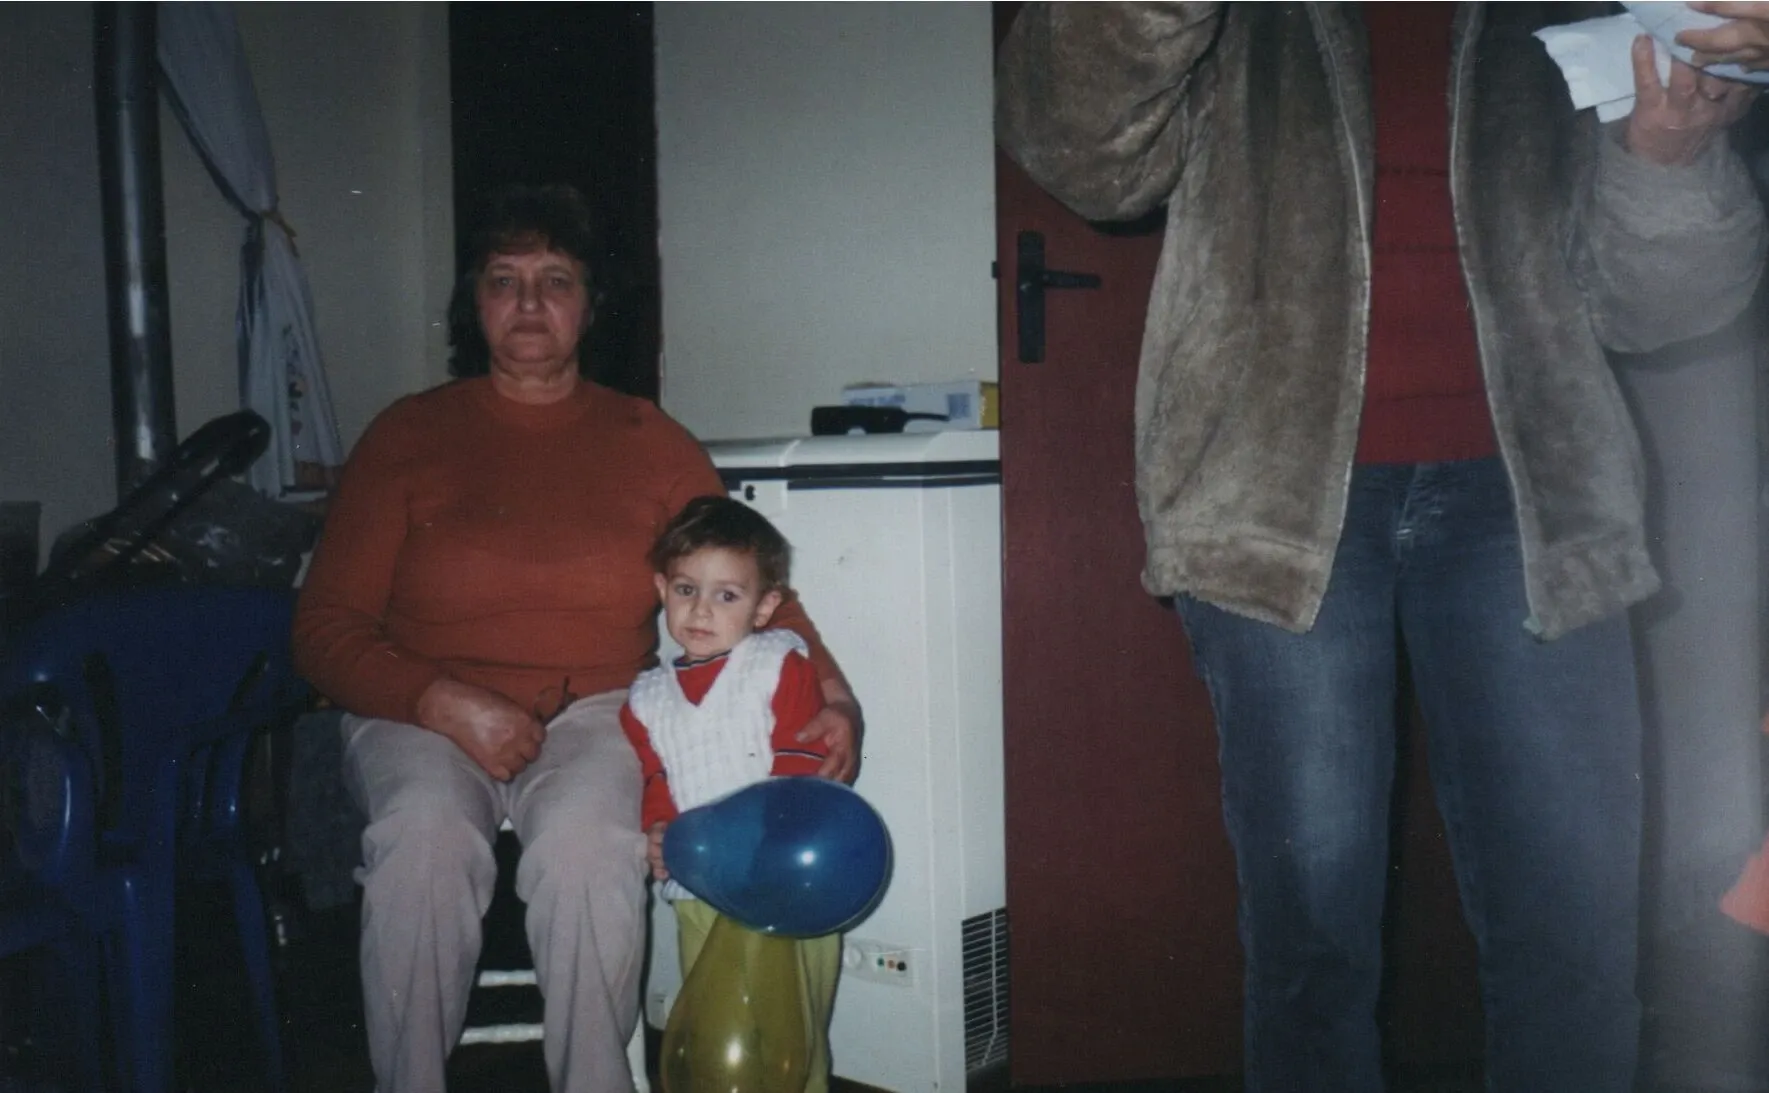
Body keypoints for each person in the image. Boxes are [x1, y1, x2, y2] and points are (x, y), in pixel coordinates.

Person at [996, 5, 1766, 1091]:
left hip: (1535, 505)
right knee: (1310, 937)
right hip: (1273, 499)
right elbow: (1078, 154)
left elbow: (1660, 308)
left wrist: (1669, 155)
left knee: (1575, 931)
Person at [291, 183, 862, 1093]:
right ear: (471, 301)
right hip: (421, 708)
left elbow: (745, 581)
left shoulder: (650, 440)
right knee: (424, 839)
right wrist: (442, 700)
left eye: (553, 279)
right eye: (502, 278)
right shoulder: (406, 434)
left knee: (592, 849)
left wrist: (832, 695)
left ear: (590, 306)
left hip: (598, 709)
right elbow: (322, 629)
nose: (526, 302)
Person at [619, 495, 842, 1093]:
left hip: (786, 880)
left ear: (766, 606)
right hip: (703, 883)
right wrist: (661, 832)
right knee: (720, 1017)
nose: (700, 610)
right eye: (686, 589)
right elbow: (656, 780)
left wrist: (773, 845)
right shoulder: (645, 699)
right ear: (661, 587)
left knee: (792, 1022)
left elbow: (799, 758)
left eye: (727, 595)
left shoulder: (777, 663)